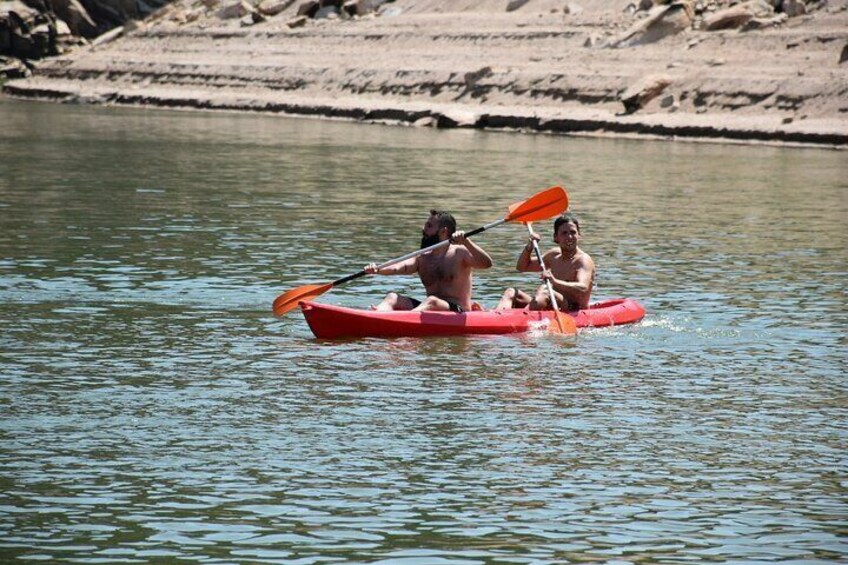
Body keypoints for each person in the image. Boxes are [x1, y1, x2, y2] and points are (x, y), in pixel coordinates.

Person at [365, 209, 493, 312]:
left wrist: (466, 241)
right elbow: (397, 267)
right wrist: (378, 269)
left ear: (443, 231)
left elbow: (487, 263)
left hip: (458, 311)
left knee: (432, 300)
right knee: (392, 297)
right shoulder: (422, 257)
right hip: (429, 307)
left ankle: (406, 321)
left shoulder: (460, 252)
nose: (423, 229)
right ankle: (376, 316)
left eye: (429, 226)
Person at [496, 212, 595, 312]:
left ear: (579, 235)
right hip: (552, 302)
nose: (569, 237)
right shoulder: (553, 255)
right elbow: (522, 267)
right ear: (556, 237)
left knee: (546, 290)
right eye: (564, 233)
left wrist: (555, 282)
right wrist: (529, 247)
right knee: (511, 292)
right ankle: (497, 316)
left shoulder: (583, 260)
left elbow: (583, 287)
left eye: (573, 232)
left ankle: (522, 316)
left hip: (573, 308)